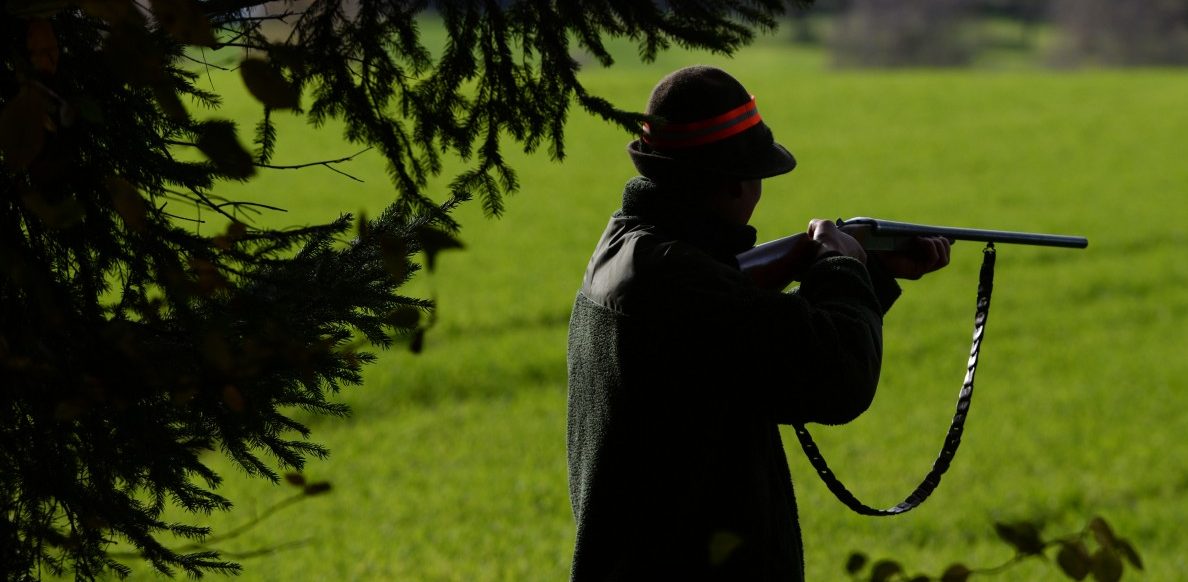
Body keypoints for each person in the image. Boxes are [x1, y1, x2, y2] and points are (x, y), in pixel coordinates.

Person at [565, 65, 951, 581]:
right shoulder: (684, 280)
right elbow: (839, 377)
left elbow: (762, 349)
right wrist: (840, 266)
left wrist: (872, 274)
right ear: (732, 183)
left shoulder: (630, 248)